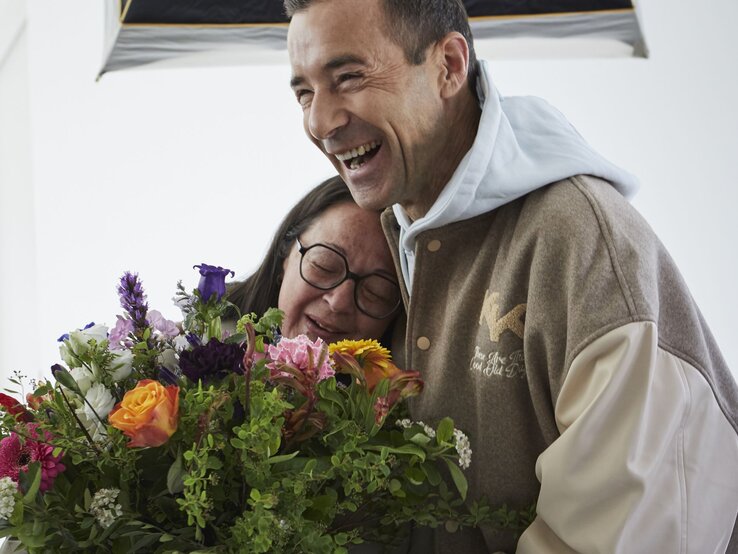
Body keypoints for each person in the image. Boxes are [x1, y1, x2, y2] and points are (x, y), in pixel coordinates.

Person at [283, 1, 738, 552]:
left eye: (349, 77)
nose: (319, 121)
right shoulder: (397, 235)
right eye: (304, 91)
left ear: (449, 65)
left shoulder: (581, 240)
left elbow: (624, 535)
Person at [227, 175, 401, 344]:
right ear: (284, 255)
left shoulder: (410, 371)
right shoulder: (204, 340)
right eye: (324, 266)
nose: (338, 303)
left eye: (376, 292)